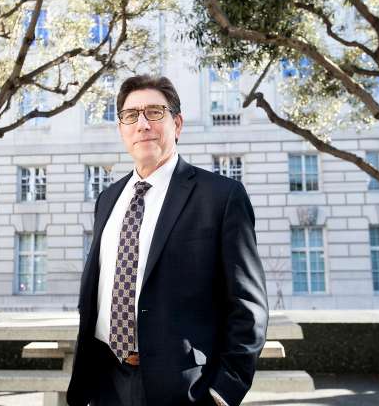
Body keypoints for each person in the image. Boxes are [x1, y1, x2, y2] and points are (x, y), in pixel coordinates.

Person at [67, 75, 268, 406]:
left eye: (155, 112)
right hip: (105, 382)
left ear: (177, 124)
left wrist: (223, 391)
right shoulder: (108, 199)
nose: (143, 124)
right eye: (131, 115)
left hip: (185, 388)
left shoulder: (221, 197)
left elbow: (248, 305)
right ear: (121, 129)